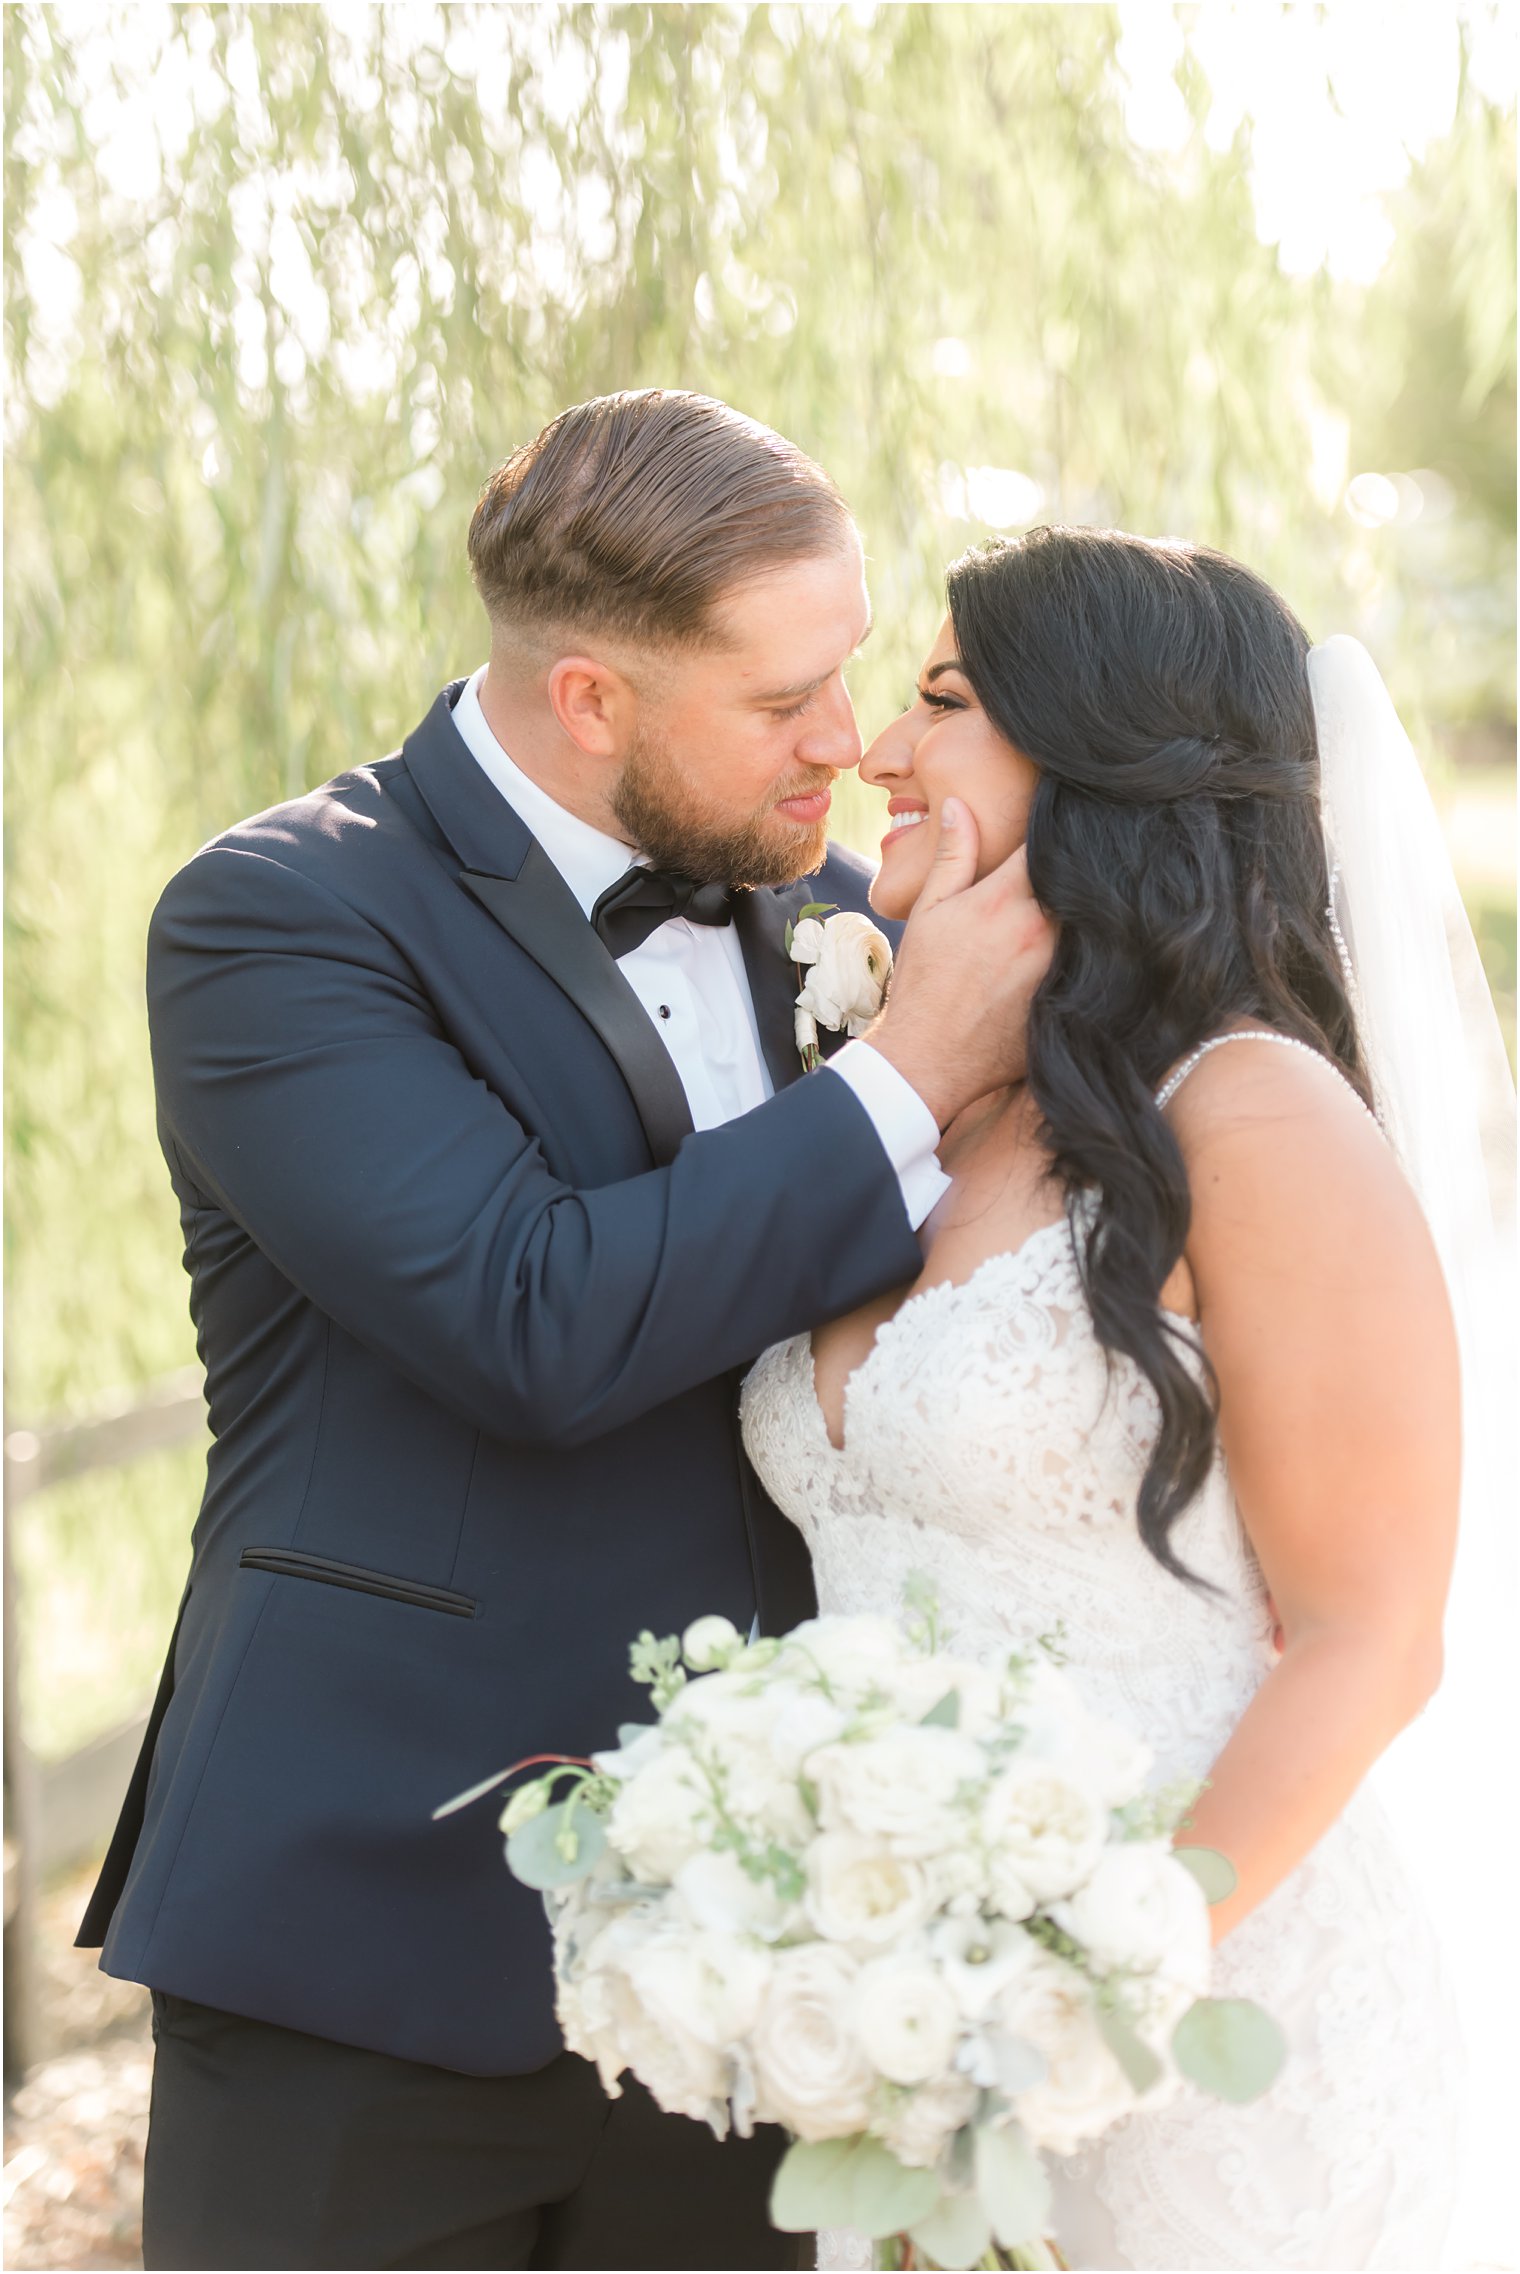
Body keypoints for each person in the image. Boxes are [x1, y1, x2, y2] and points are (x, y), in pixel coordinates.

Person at [76, 390, 1053, 2271]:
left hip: (765, 1968)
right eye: (784, 705)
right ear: (592, 697)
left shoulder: (847, 922)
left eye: (847, 676)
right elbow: (533, 1317)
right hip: (365, 1953)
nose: (847, 750)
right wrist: (912, 1068)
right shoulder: (280, 917)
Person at [742, 525, 1475, 2271]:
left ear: (1099, 755)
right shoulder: (904, 1108)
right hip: (913, 2057)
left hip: (1211, 2044)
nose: (878, 754)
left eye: (941, 702)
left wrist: (1098, 1988)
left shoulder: (1256, 1114)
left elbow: (1377, 1633)